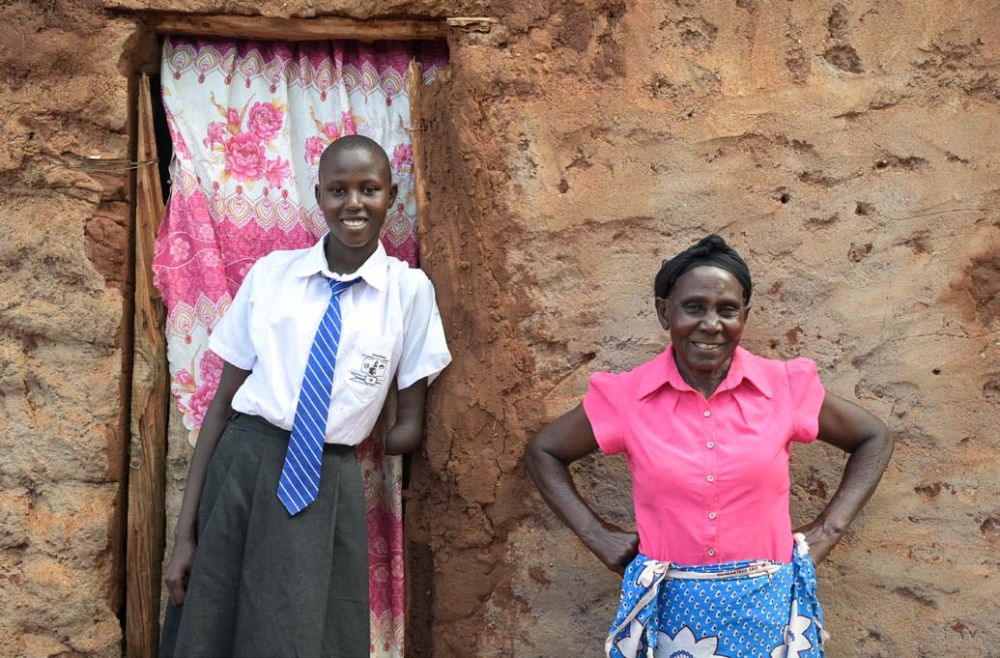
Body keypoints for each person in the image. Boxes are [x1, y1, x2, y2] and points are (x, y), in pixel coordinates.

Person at [525, 234, 892, 658]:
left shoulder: (785, 388)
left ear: (745, 316)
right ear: (664, 312)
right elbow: (544, 451)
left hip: (766, 613)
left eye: (727, 310)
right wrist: (596, 534)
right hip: (668, 616)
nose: (711, 324)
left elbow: (873, 437)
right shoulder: (627, 396)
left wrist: (828, 530)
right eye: (694, 307)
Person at [159, 135, 451, 658]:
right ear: (319, 196)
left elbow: (408, 424)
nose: (353, 203)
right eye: (338, 190)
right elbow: (221, 406)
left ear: (391, 195)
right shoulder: (274, 275)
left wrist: (352, 430)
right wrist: (185, 535)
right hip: (244, 465)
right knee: (213, 623)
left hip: (326, 480)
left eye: (369, 189)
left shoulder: (408, 292)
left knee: (300, 630)